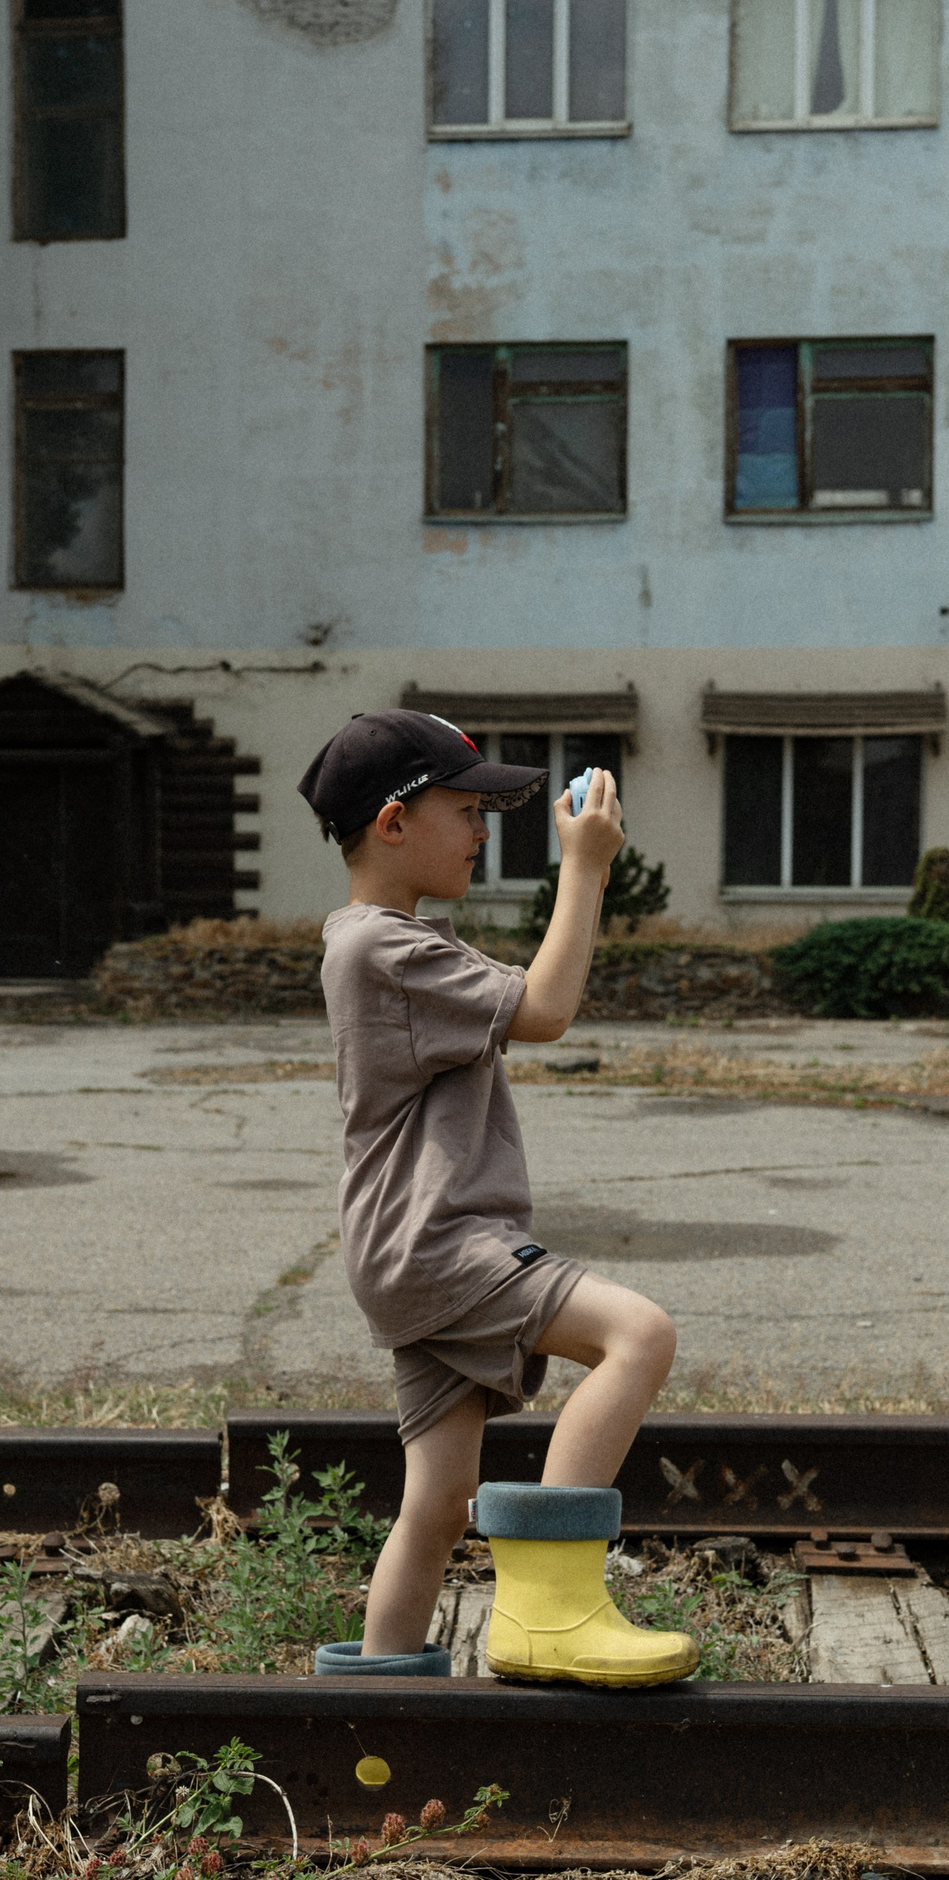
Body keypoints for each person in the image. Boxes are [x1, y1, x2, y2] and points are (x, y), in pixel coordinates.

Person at [293, 709, 696, 1687]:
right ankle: (551, 1609)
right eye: (466, 809)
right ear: (393, 823)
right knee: (638, 1335)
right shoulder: (385, 949)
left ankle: (376, 1704)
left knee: (436, 1501)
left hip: (402, 1247)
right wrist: (585, 865)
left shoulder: (383, 942)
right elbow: (548, 1008)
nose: (482, 829)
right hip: (438, 1238)